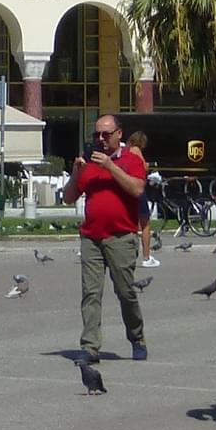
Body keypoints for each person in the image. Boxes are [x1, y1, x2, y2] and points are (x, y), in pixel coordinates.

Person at [70, 115, 150, 362]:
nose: (101, 140)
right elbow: (69, 197)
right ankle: (90, 347)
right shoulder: (90, 163)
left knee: (126, 292)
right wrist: (75, 174)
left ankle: (137, 337)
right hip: (91, 237)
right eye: (97, 135)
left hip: (121, 237)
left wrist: (111, 167)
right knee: (91, 294)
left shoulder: (131, 160)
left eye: (106, 134)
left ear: (119, 134)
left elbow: (137, 189)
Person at [130, 130, 162, 269]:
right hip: (139, 189)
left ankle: (129, 255)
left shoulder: (126, 151)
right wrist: (147, 167)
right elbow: (143, 168)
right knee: (145, 224)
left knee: (131, 224)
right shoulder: (137, 151)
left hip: (128, 189)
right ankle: (146, 256)